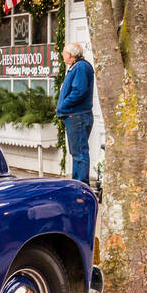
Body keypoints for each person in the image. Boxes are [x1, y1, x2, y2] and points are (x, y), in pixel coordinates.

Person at [55, 41, 95, 186]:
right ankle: (78, 183)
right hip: (76, 115)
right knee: (77, 152)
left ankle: (81, 185)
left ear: (70, 55)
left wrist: (63, 105)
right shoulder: (77, 67)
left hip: (77, 116)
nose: (62, 56)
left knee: (79, 153)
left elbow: (79, 91)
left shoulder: (81, 67)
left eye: (64, 53)